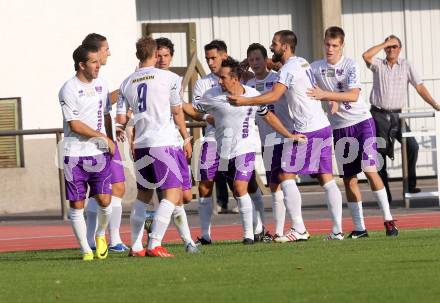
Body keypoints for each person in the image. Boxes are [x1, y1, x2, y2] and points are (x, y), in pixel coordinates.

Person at [229, 30, 344, 241]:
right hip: (322, 124)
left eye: (274, 44)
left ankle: (299, 229)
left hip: (307, 128)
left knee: (285, 176)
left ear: (285, 46)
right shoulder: (301, 62)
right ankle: (337, 231)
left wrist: (244, 101)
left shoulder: (288, 68)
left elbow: (274, 95)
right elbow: (277, 70)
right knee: (326, 178)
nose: (272, 47)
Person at [195, 57, 306, 244]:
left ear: (235, 78)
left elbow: (268, 116)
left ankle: (249, 236)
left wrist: (289, 135)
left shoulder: (252, 94)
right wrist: (206, 116)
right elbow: (191, 108)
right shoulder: (212, 95)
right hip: (222, 148)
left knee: (240, 187)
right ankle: (208, 235)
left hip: (244, 148)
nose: (219, 81)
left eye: (223, 77)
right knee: (219, 188)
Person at [308, 26, 398, 237]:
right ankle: (360, 228)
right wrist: (329, 99)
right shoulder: (316, 67)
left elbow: (353, 95)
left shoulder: (350, 65)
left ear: (342, 46)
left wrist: (326, 95)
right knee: (349, 178)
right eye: (327, 44)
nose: (330, 49)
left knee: (370, 169)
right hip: (340, 128)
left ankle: (388, 220)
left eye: (334, 45)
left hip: (361, 122)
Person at [116, 37, 191, 257]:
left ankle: (136, 245)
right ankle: (154, 244)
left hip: (141, 145)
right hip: (163, 143)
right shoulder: (170, 78)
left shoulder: (126, 82)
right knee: (172, 194)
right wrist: (186, 138)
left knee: (144, 195)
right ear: (155, 55)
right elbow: (177, 111)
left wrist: (124, 130)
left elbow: (121, 117)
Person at [362, 35, 440, 202]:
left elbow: (419, 86)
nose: (391, 49)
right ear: (384, 49)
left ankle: (410, 185)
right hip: (378, 114)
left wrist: (435, 104)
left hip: (398, 116)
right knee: (380, 155)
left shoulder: (406, 65)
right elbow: (366, 56)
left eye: (394, 46)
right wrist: (384, 42)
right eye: (388, 47)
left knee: (412, 146)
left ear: (400, 49)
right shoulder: (378, 65)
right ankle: (385, 196)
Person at [59, 44, 114, 260]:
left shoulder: (102, 84)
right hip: (74, 154)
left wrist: (110, 138)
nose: (98, 65)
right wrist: (103, 138)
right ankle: (85, 249)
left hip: (99, 153)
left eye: (98, 61)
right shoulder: (68, 89)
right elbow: (74, 124)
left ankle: (100, 234)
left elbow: (106, 114)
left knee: (105, 201)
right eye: (93, 62)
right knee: (77, 204)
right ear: (82, 65)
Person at [144, 37, 198, 253]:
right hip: (159, 143)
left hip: (174, 142)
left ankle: (153, 220)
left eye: (166, 55)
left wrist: (185, 138)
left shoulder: (172, 79)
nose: (162, 59)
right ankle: (186, 242)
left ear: (172, 57)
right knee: (171, 195)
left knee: (184, 196)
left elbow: (179, 109)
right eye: (159, 55)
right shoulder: (147, 79)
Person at [81, 33, 129, 252]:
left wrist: (113, 132)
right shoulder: (80, 84)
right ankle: (98, 240)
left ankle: (108, 239)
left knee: (115, 188)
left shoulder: (100, 80)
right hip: (93, 144)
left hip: (107, 141)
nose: (109, 53)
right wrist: (127, 87)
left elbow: (104, 109)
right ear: (96, 51)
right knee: (105, 191)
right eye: (106, 48)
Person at [245, 43, 292, 239]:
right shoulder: (248, 87)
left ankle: (295, 225)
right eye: (251, 60)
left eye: (258, 59)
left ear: (266, 60)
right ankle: (278, 230)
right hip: (267, 140)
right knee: (274, 184)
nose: (255, 63)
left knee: (287, 181)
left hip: (286, 136)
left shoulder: (279, 78)